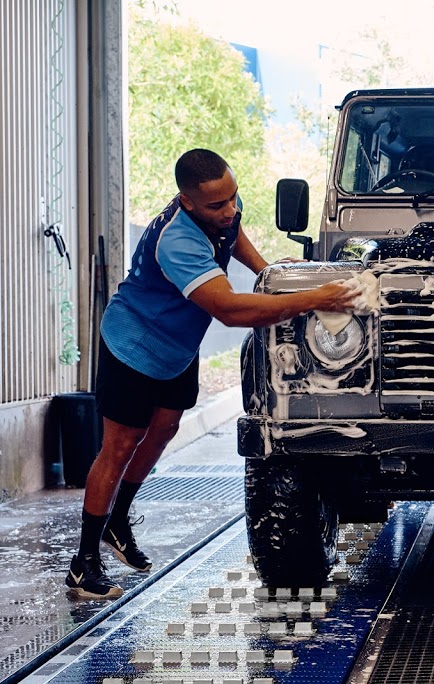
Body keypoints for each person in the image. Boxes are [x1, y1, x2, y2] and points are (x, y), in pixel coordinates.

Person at [65, 149, 357, 599]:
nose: (231, 211)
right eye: (218, 205)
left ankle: (118, 521)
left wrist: (267, 271)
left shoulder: (219, 213)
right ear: (187, 202)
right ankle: (84, 561)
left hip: (177, 349)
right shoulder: (177, 240)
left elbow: (233, 236)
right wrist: (315, 297)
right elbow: (229, 310)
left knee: (162, 430)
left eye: (233, 198)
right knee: (120, 446)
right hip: (134, 345)